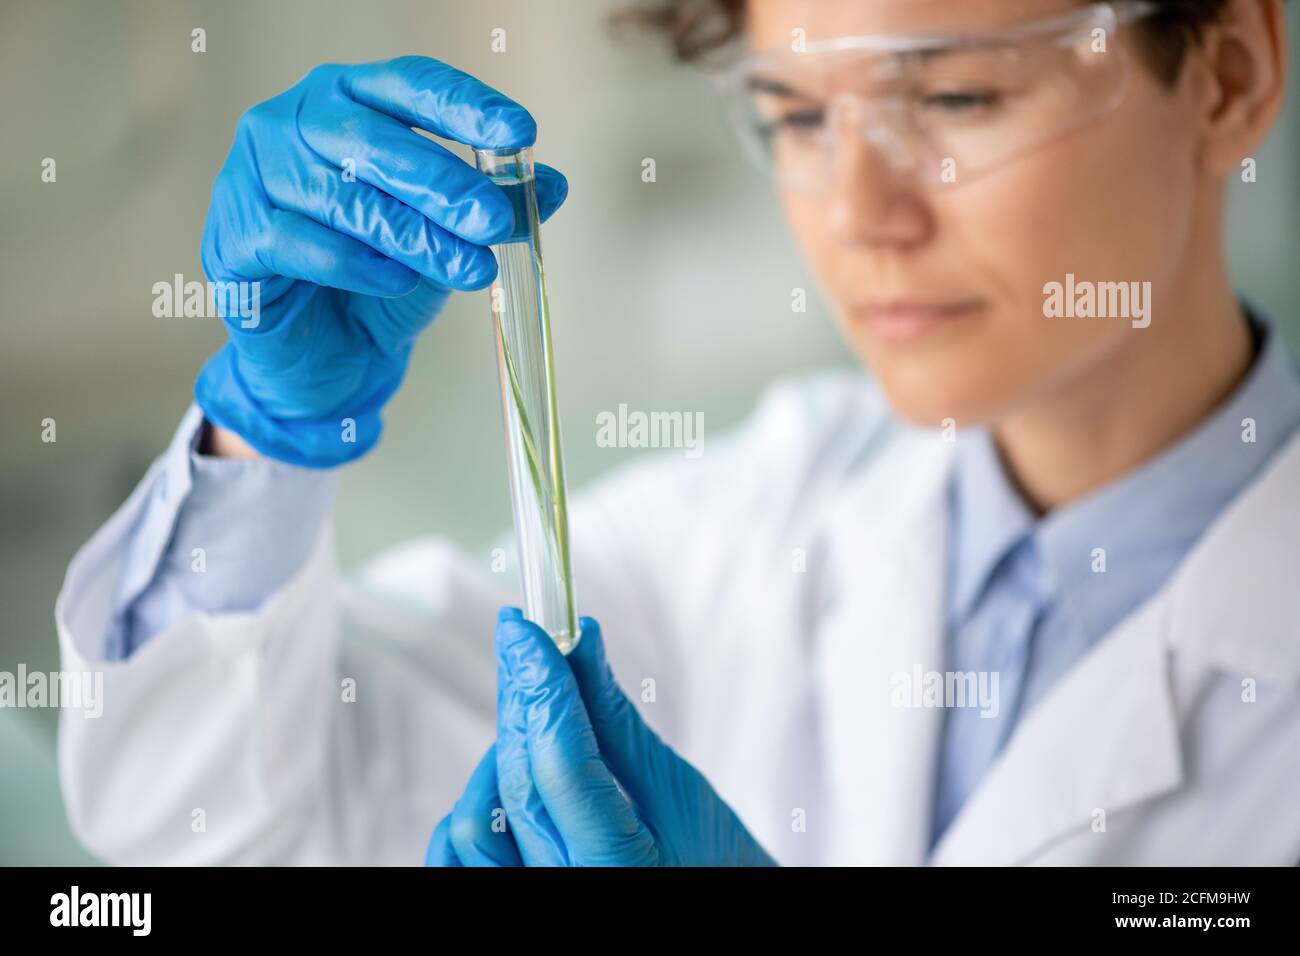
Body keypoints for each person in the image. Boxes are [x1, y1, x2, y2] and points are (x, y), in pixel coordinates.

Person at [56, 0, 1300, 866]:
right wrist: (268, 435)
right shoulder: (762, 519)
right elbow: (217, 818)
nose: (859, 214)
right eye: (797, 118)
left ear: (1229, 74)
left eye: (956, 96)